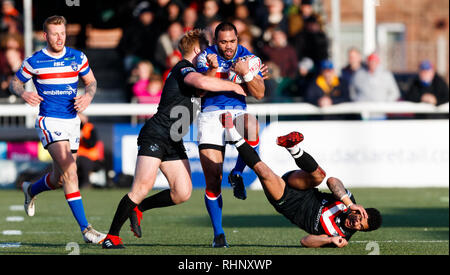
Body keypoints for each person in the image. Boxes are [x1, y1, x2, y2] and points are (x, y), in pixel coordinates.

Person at [102, 29, 247, 249]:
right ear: (198, 50)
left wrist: (216, 69)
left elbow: (203, 87)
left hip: (173, 140)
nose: (209, 53)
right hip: (157, 134)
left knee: (182, 192)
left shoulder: (194, 73)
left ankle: (139, 209)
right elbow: (205, 84)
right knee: (141, 188)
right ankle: (111, 237)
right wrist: (236, 86)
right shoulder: (183, 68)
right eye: (206, 49)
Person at [9, 15, 105, 244]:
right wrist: (23, 93)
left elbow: (91, 82)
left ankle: (31, 190)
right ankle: (87, 230)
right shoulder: (35, 60)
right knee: (71, 172)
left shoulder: (77, 57)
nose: (59, 37)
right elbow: (14, 82)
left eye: (62, 33)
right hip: (49, 121)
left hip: (72, 122)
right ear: (45, 36)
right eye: (54, 33)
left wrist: (88, 97)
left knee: (60, 178)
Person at [220, 112, 382, 247]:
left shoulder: (340, 237)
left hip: (288, 202)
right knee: (320, 175)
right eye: (360, 219)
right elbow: (332, 181)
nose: (356, 223)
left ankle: (231, 130)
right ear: (361, 211)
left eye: (360, 227)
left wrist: (329, 239)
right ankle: (291, 146)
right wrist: (349, 203)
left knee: (264, 172)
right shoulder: (348, 203)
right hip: (303, 187)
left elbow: (305, 241)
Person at [196, 21, 265, 247]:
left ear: (238, 39)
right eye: (223, 42)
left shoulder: (250, 59)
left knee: (252, 126)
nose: (228, 46)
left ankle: (237, 174)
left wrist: (245, 74)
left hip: (237, 112)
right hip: (210, 115)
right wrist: (212, 71)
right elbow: (198, 91)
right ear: (216, 41)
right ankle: (218, 234)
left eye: (232, 41)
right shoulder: (205, 58)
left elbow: (260, 93)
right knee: (213, 180)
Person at [77, 113, 105, 188]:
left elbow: (92, 144)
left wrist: (83, 136)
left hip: (91, 159)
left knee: (84, 161)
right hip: (77, 157)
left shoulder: (90, 129)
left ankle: (86, 183)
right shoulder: (73, 128)